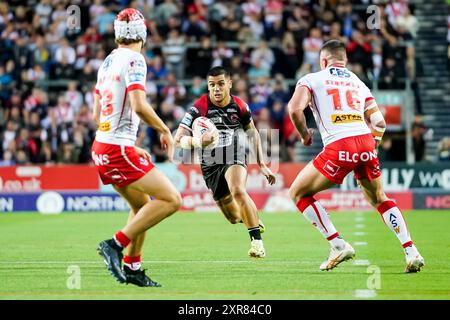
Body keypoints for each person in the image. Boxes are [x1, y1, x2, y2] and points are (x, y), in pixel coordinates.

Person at [287, 40, 424, 273]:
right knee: (380, 197)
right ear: (345, 61)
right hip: (365, 142)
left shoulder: (311, 79)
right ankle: (411, 251)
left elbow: (294, 109)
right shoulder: (357, 82)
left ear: (323, 61)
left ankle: (337, 244)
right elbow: (379, 122)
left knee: (298, 193)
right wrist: (373, 145)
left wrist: (304, 136)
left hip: (339, 144)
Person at [91, 8, 182, 287]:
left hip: (103, 146)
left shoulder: (107, 62)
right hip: (116, 149)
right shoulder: (135, 60)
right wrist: (164, 129)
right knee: (172, 200)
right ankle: (114, 245)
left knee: (141, 205)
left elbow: (97, 115)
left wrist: (127, 144)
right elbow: (139, 106)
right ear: (142, 32)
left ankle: (133, 268)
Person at [174, 66, 276, 258]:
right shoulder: (199, 107)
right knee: (233, 217)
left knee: (238, 189)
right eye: (212, 85)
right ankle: (252, 219)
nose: (216, 89)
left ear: (230, 83)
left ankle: (257, 243)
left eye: (221, 84)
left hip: (234, 151)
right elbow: (177, 140)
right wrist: (197, 141)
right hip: (209, 162)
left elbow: (252, 133)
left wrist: (262, 164)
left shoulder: (240, 106)